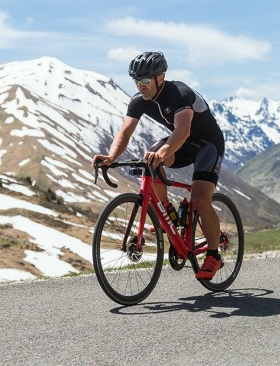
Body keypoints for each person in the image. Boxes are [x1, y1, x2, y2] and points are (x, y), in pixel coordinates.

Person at [92, 51, 225, 280]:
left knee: (201, 199)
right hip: (181, 145)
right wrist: (111, 157)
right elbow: (125, 133)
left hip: (207, 145)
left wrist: (163, 152)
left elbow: (183, 131)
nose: (140, 85)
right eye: (136, 80)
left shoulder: (179, 94)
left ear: (160, 78)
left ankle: (214, 255)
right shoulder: (139, 101)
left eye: (144, 80)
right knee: (149, 159)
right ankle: (167, 212)